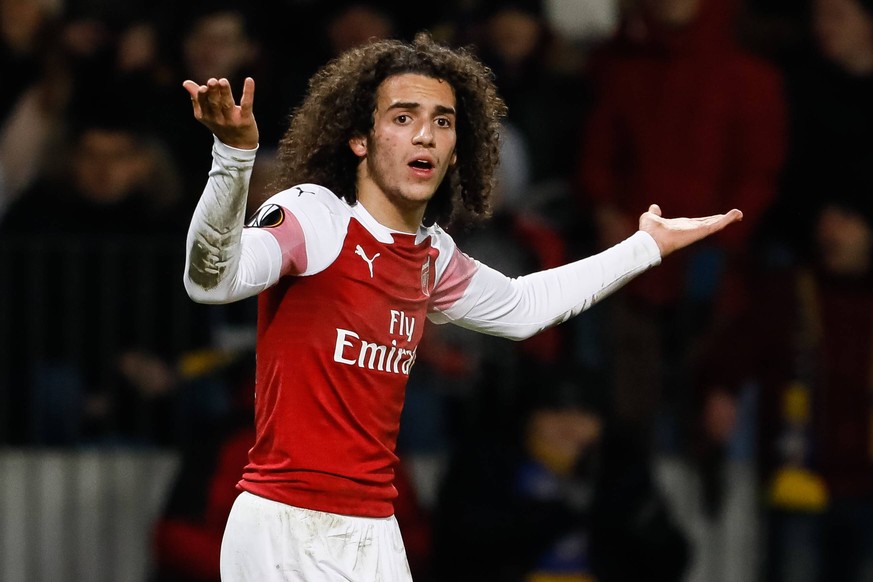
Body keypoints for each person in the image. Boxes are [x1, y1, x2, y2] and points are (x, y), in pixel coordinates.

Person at [181, 32, 742, 581]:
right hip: (285, 524)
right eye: (403, 118)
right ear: (360, 138)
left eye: (442, 121)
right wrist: (232, 157)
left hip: (374, 528)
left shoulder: (430, 253)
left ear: (455, 148)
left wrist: (645, 246)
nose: (425, 134)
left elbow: (523, 308)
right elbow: (211, 279)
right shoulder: (315, 216)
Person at [696, 182, 873, 582]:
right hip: (800, 485)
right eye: (825, 220)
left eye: (845, 219)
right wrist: (722, 391)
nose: (830, 230)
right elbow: (732, 348)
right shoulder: (789, 292)